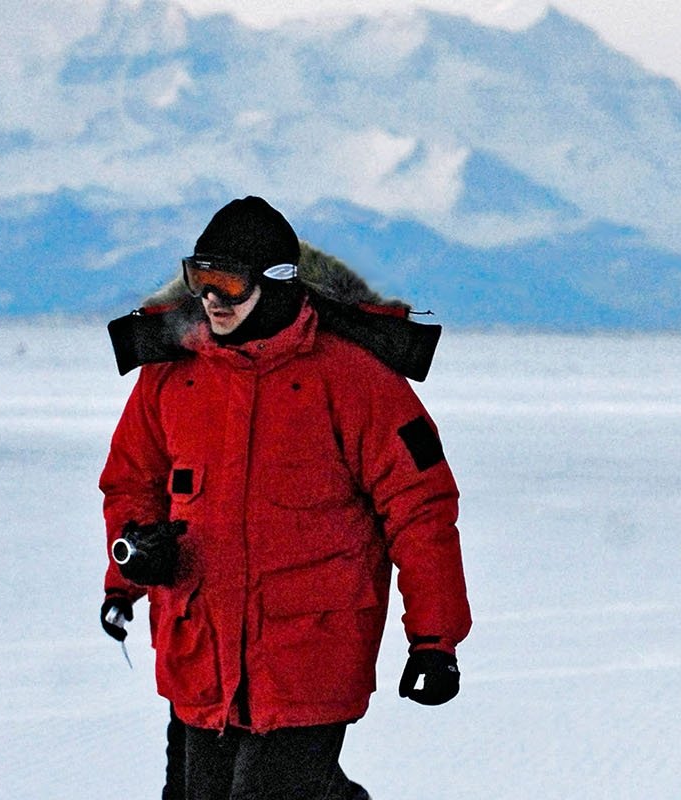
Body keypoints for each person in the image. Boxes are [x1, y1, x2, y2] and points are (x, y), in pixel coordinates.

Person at [97, 196, 471, 800]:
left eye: (228, 282)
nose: (212, 298)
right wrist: (129, 571)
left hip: (310, 655)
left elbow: (420, 507)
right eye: (201, 278)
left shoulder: (357, 379)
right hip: (203, 648)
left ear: (276, 284)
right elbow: (131, 481)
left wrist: (435, 639)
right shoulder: (172, 374)